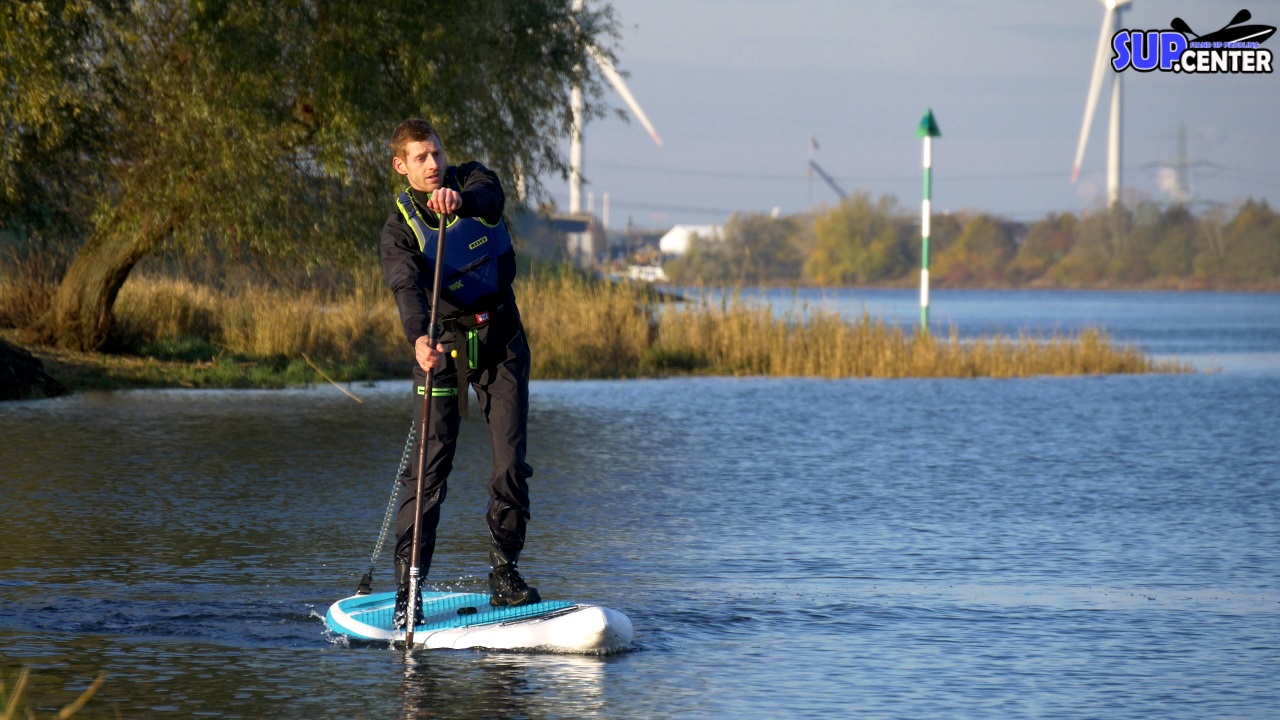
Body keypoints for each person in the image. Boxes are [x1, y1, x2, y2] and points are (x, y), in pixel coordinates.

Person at [379, 118, 539, 627]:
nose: (433, 164)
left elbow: (490, 198)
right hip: (441, 348)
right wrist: (417, 339)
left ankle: (505, 575)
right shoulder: (398, 231)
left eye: (436, 153)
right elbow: (407, 288)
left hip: (501, 343)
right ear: (401, 166)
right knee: (429, 471)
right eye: (420, 157)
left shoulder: (473, 180)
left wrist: (460, 201)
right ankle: (409, 590)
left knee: (509, 463)